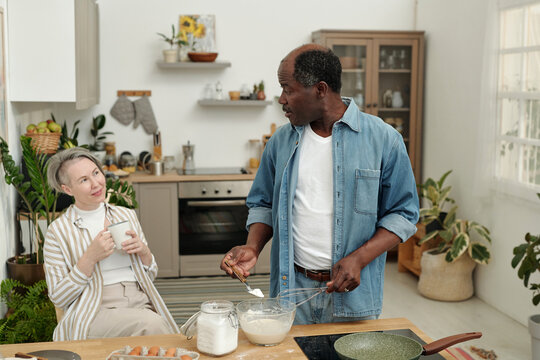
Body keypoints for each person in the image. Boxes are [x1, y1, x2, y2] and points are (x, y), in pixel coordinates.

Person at [221, 44, 419, 324]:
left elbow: (404, 213)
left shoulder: (384, 139)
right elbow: (263, 204)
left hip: (353, 295)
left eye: (287, 89)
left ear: (320, 89)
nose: (281, 99)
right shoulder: (280, 142)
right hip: (292, 293)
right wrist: (252, 247)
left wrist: (359, 259)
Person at [44, 147, 179, 340]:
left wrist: (144, 252)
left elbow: (151, 273)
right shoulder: (57, 231)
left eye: (96, 173)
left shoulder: (125, 215)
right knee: (154, 326)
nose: (95, 183)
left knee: (171, 328)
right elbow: (58, 296)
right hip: (93, 309)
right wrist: (89, 258)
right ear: (67, 189)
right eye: (83, 180)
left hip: (139, 301)